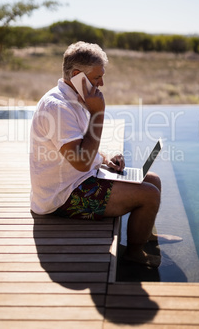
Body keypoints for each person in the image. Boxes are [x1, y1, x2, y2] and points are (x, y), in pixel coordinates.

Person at [30, 41, 162, 267]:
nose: (102, 83)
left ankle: (145, 233)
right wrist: (98, 114)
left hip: (79, 179)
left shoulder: (74, 99)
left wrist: (105, 158)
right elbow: (80, 162)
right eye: (96, 78)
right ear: (76, 75)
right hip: (62, 196)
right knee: (148, 195)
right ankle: (134, 252)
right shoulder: (57, 107)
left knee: (153, 180)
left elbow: (81, 147)